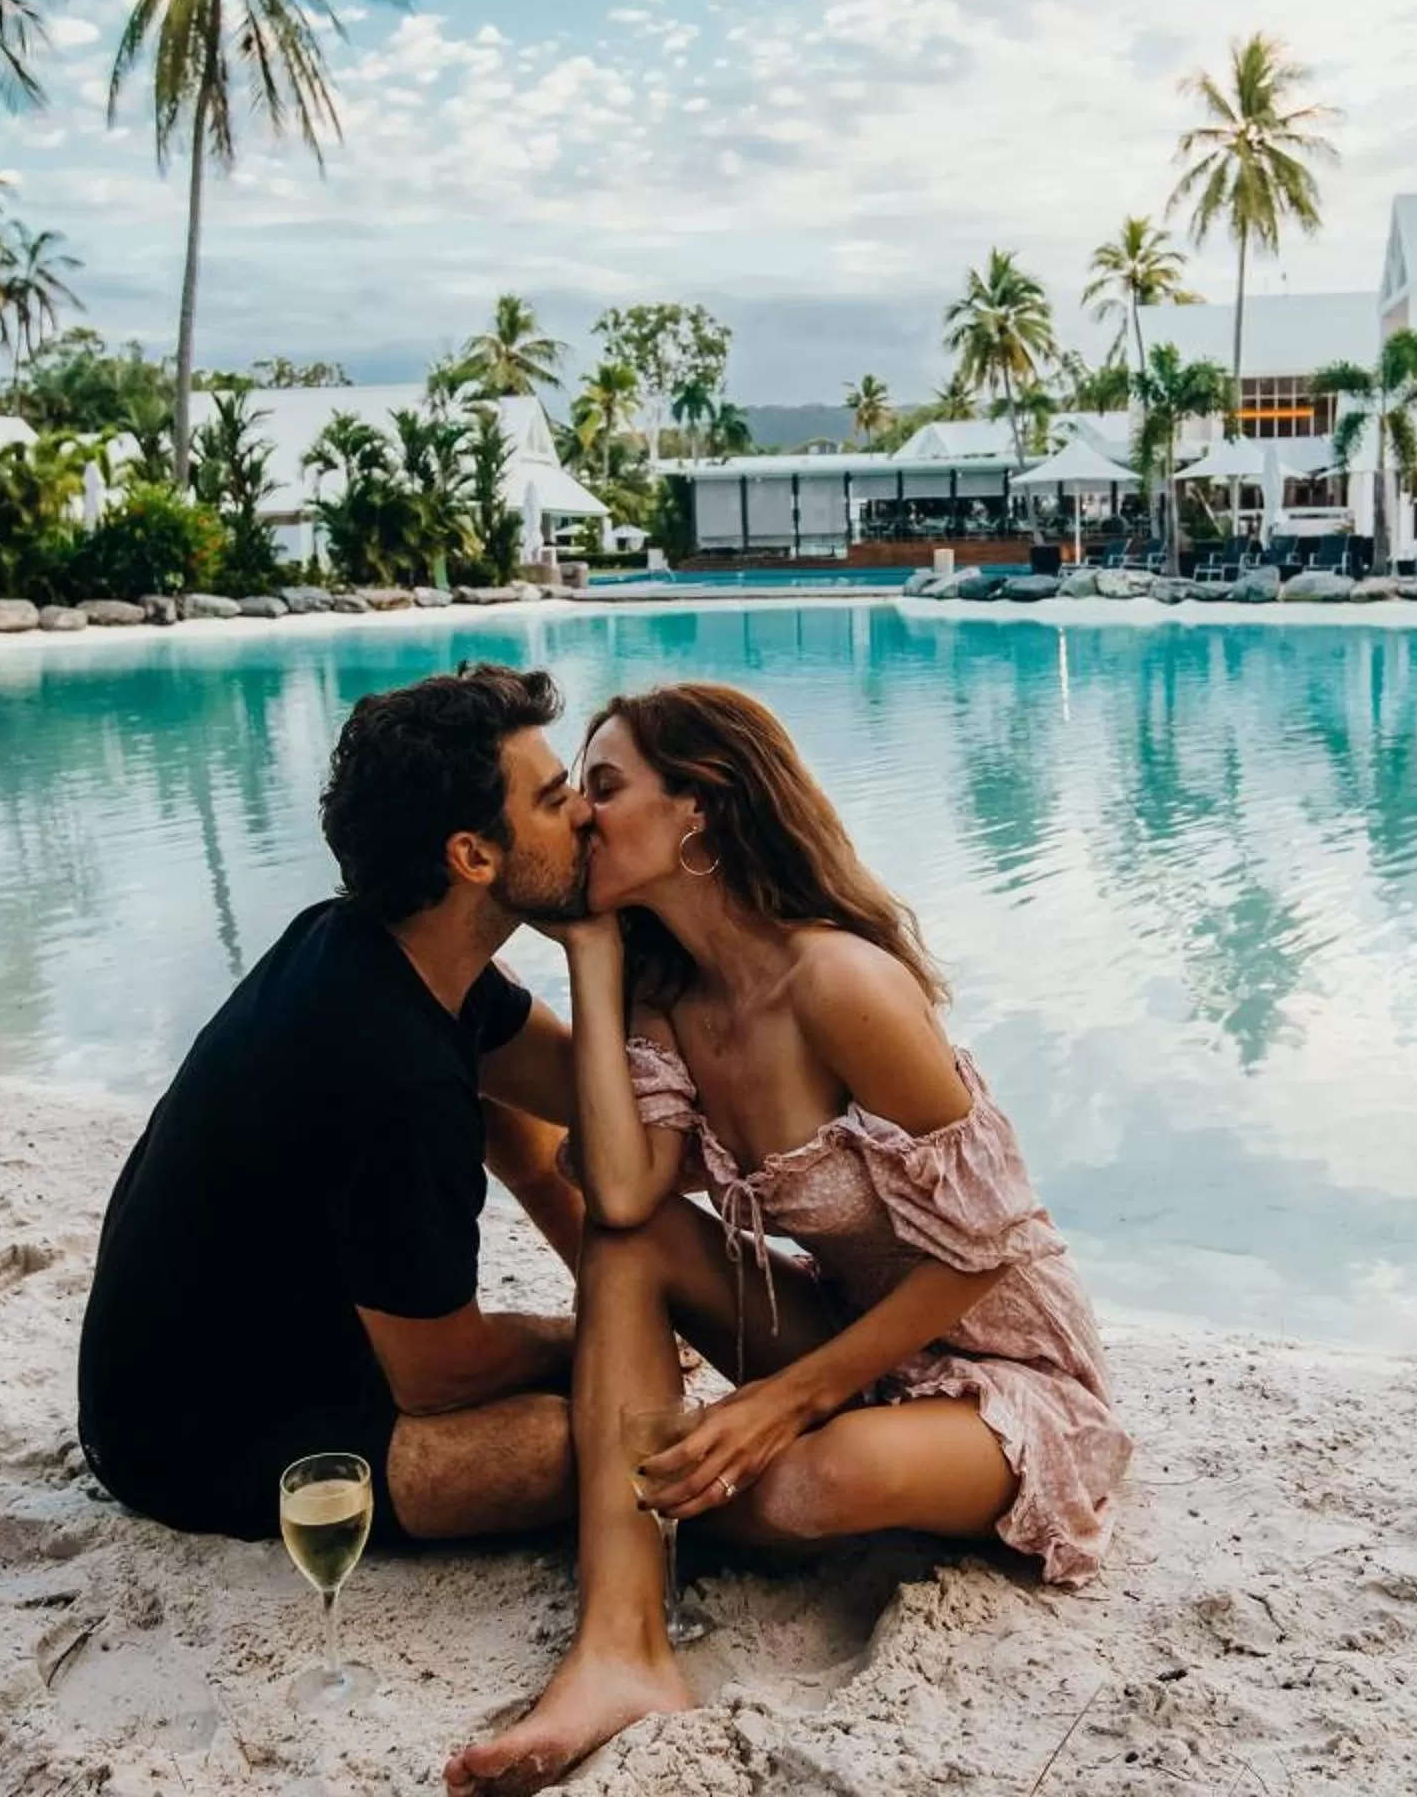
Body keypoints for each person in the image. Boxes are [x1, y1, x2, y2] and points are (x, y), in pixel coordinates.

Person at [446, 684, 1130, 1795]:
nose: (579, 815)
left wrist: (781, 1398)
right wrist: (595, 955)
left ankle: (672, 1492)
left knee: (796, 1490)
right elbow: (623, 1198)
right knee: (633, 1246)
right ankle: (621, 1647)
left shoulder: (841, 982)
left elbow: (986, 1249)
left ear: (699, 809)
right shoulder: (669, 998)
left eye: (607, 788)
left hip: (1001, 1360)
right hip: (849, 1330)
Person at [77, 664, 596, 1549]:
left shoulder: (380, 948)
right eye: (554, 801)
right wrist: (581, 1340)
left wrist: (608, 944)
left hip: (299, 1349)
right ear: (472, 856)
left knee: (597, 1387)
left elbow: (590, 1088)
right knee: (564, 1446)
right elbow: (441, 1379)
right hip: (194, 1436)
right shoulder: (386, 1064)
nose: (586, 812)